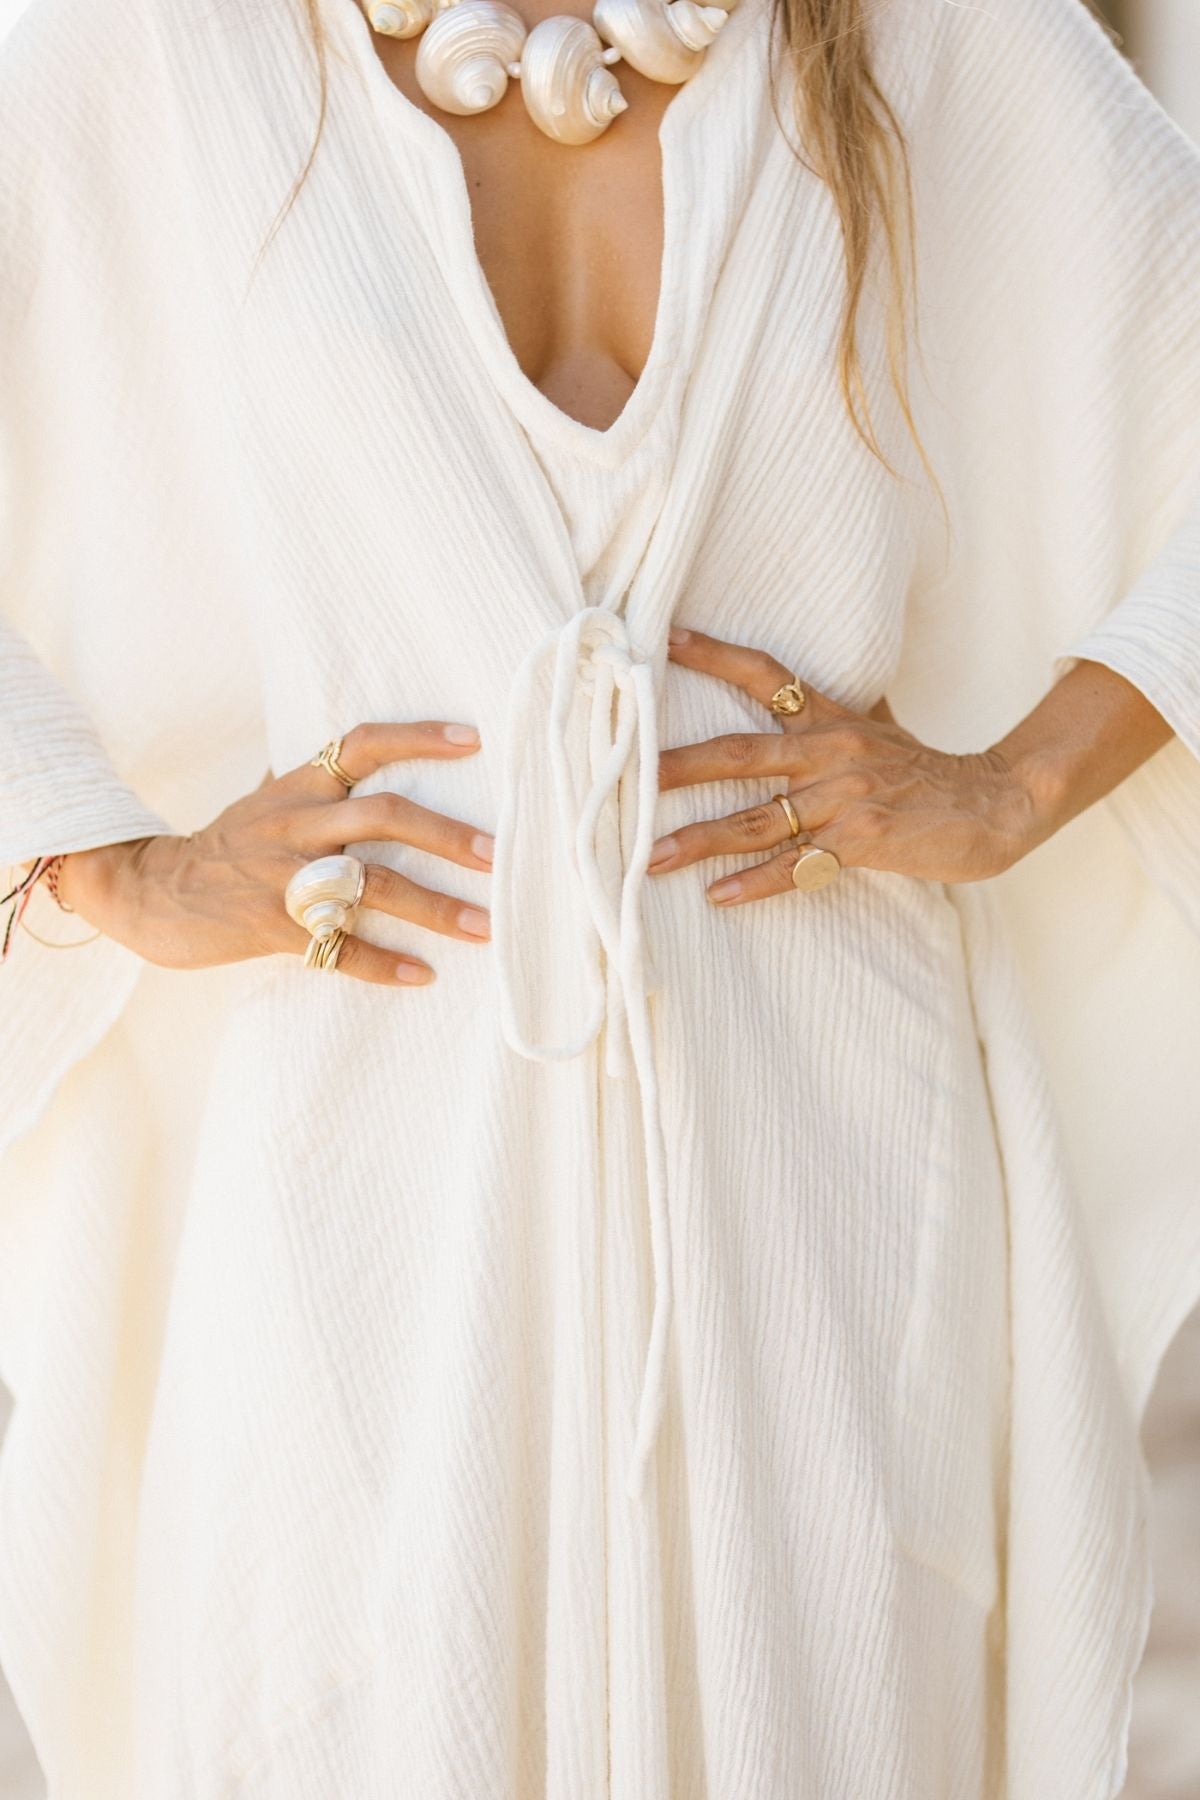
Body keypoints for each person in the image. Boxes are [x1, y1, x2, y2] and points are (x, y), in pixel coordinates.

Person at [0, 0, 1197, 1789]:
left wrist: (1015, 785)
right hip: (356, 1212)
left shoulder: (915, 34)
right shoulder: (172, 45)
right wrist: (113, 864)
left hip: (829, 1195)